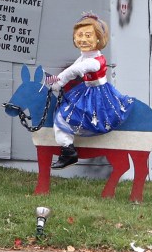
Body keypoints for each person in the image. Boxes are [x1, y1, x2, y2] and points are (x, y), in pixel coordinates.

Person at [44, 14, 134, 169]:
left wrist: (57, 82)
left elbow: (75, 70)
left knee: (62, 118)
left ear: (99, 39)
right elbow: (75, 66)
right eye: (79, 36)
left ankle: (68, 151)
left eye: (88, 35)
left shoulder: (94, 61)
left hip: (97, 95)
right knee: (64, 112)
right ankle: (68, 148)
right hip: (86, 90)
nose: (83, 39)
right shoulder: (84, 56)